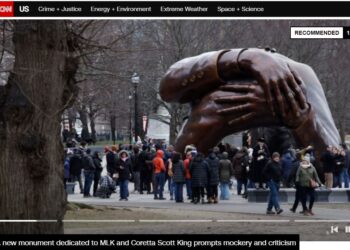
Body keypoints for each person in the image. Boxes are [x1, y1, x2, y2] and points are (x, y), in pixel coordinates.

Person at [159, 48, 340, 164]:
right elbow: (167, 87)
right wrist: (241, 58)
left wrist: (298, 117)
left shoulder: (300, 75)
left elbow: (335, 154)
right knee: (210, 109)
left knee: (210, 109)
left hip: (281, 159)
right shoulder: (224, 73)